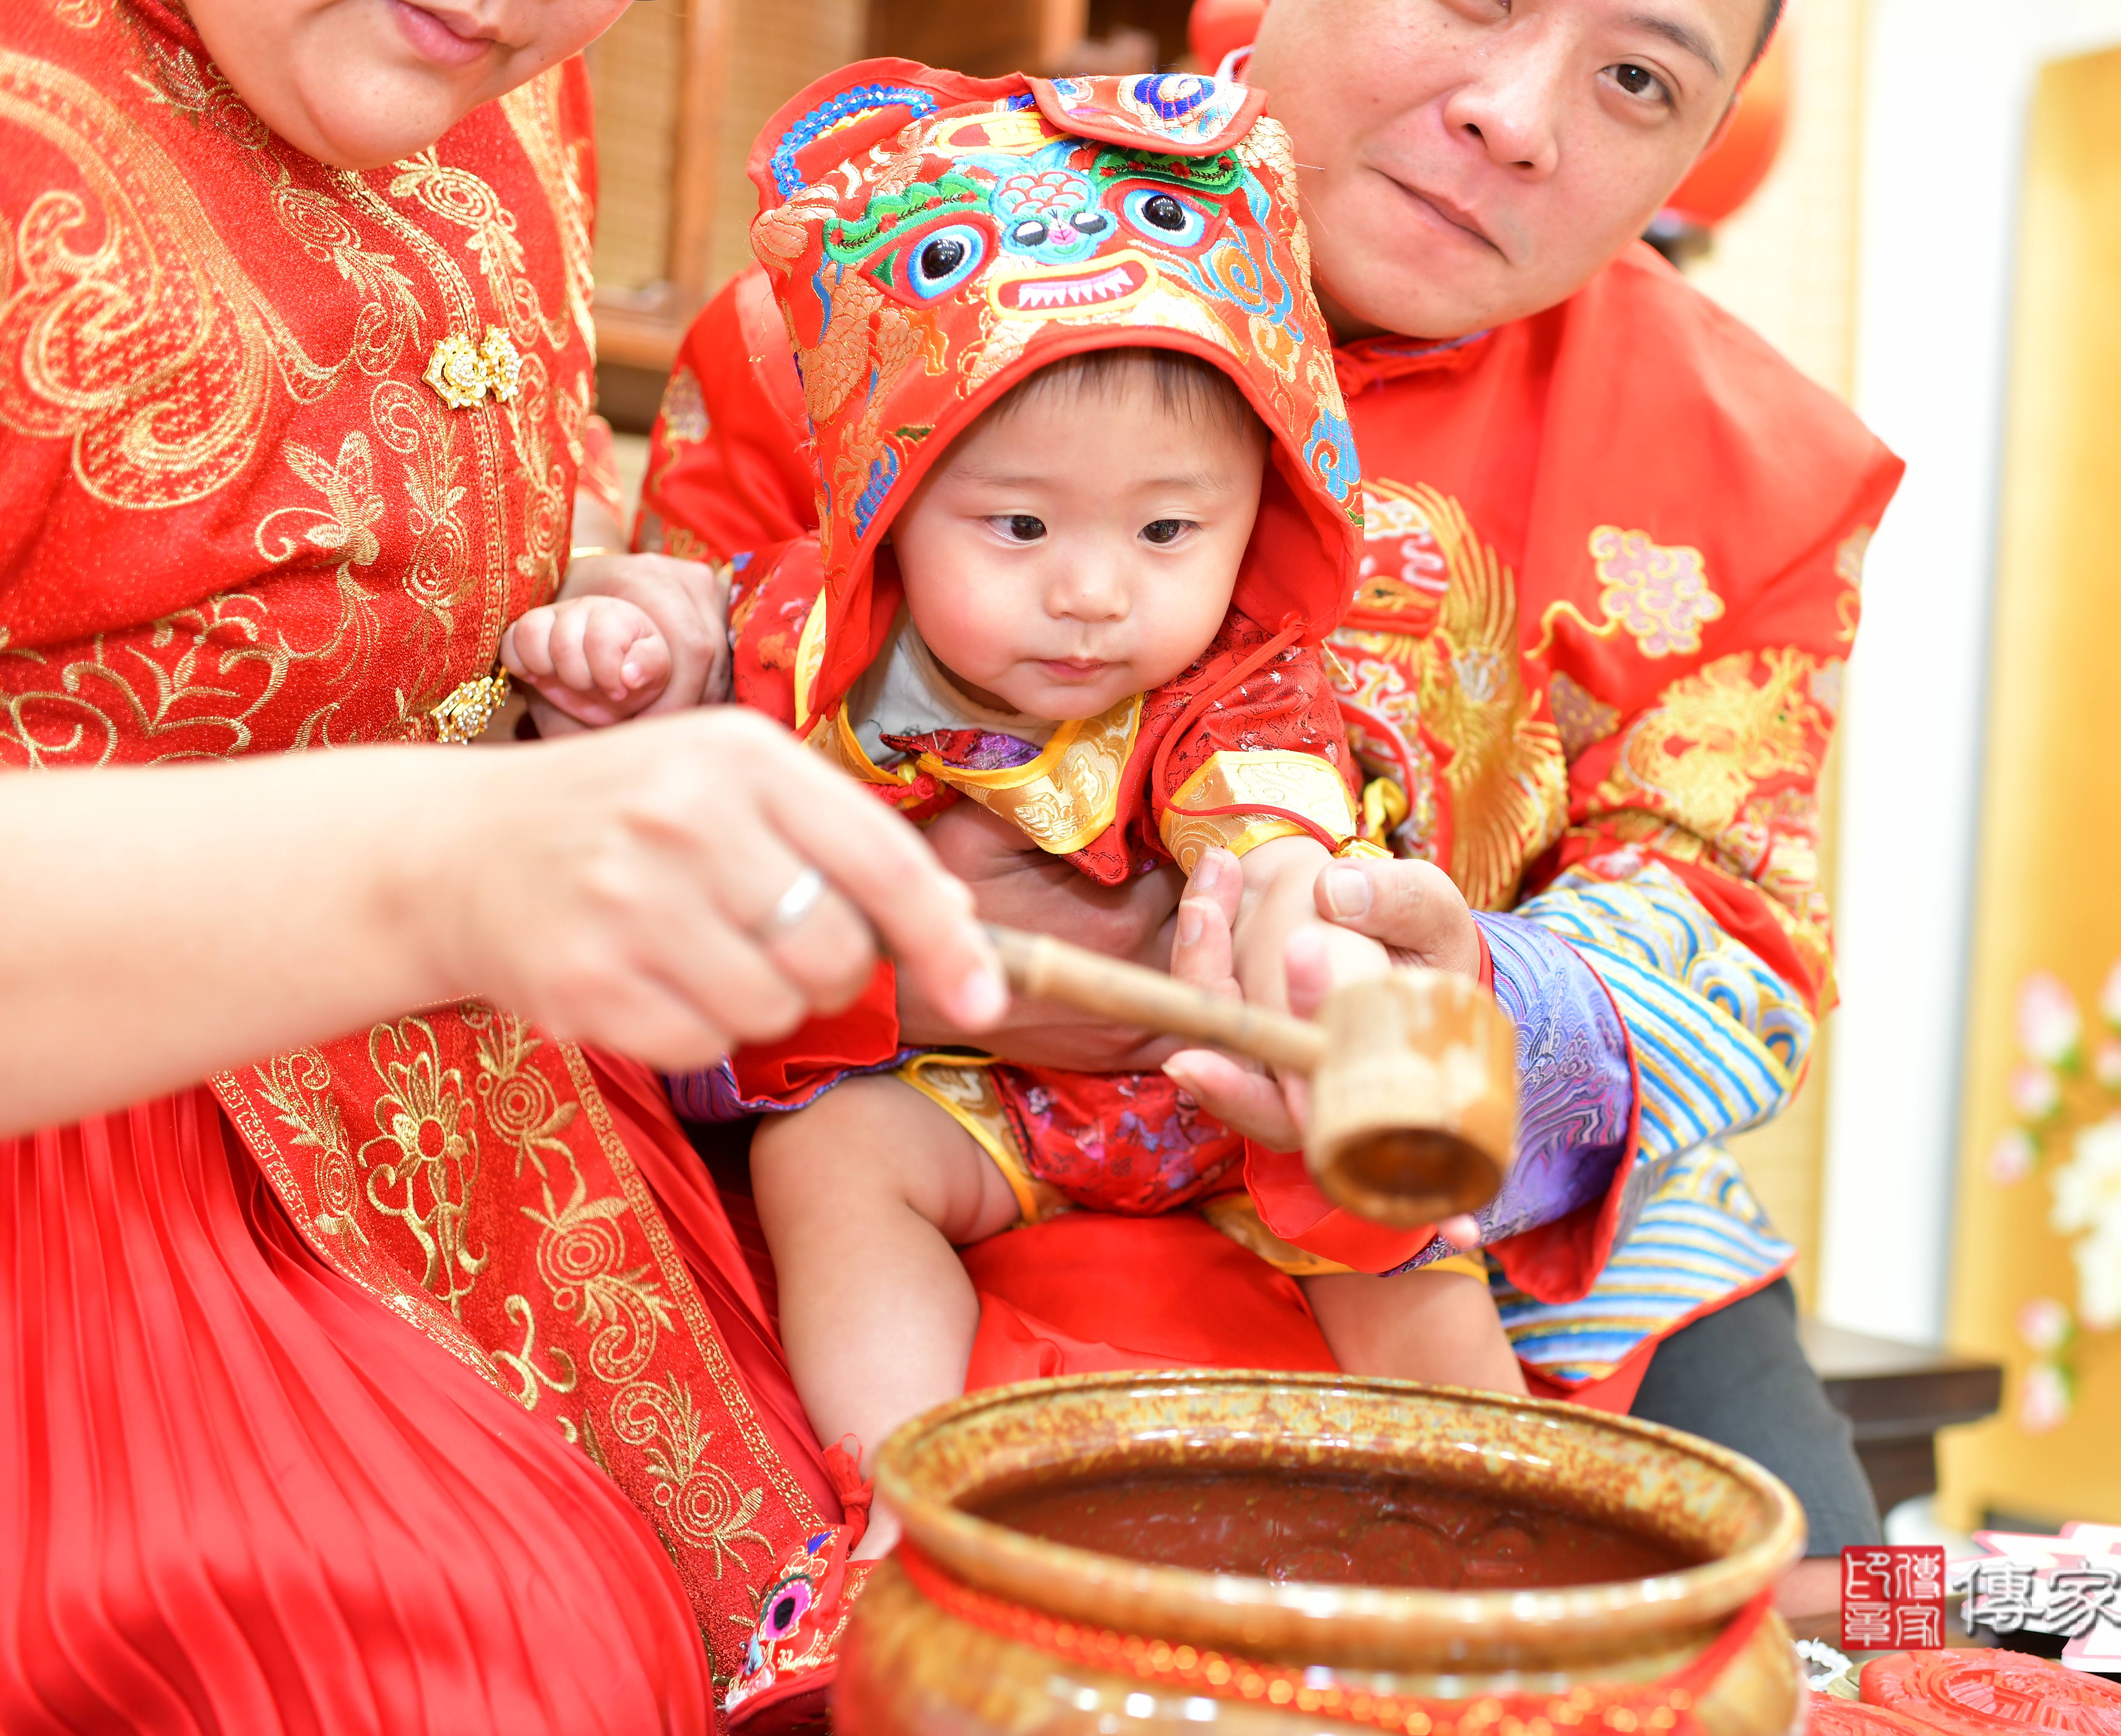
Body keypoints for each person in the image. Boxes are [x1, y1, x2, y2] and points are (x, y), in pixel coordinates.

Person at [633, 0, 1899, 1651]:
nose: (1519, 118)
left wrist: (1473, 1020)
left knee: (1871, 1633)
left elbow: (1733, 936)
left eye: (1638, 79)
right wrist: (896, 973)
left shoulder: (1754, 476)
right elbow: (628, 792)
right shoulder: (899, 246)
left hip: (1479, 1261)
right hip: (888, 1172)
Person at [0, 1, 1008, 1729]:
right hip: (96, 1193)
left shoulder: (459, 57)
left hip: (514, 1137)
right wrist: (455, 860)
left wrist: (599, 620)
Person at [506, 64, 1524, 1595]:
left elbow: (1276, 833)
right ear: (892, 503)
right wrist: (628, 654)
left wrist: (1302, 940)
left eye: (1169, 529)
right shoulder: (808, 632)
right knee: (833, 1157)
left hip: (1216, 1120)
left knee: (1400, 1243)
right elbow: (697, 688)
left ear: (1263, 515)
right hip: (981, 1105)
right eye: (1021, 527)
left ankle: (1519, 1536)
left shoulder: (1239, 685)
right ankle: (910, 1497)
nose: (1096, 593)